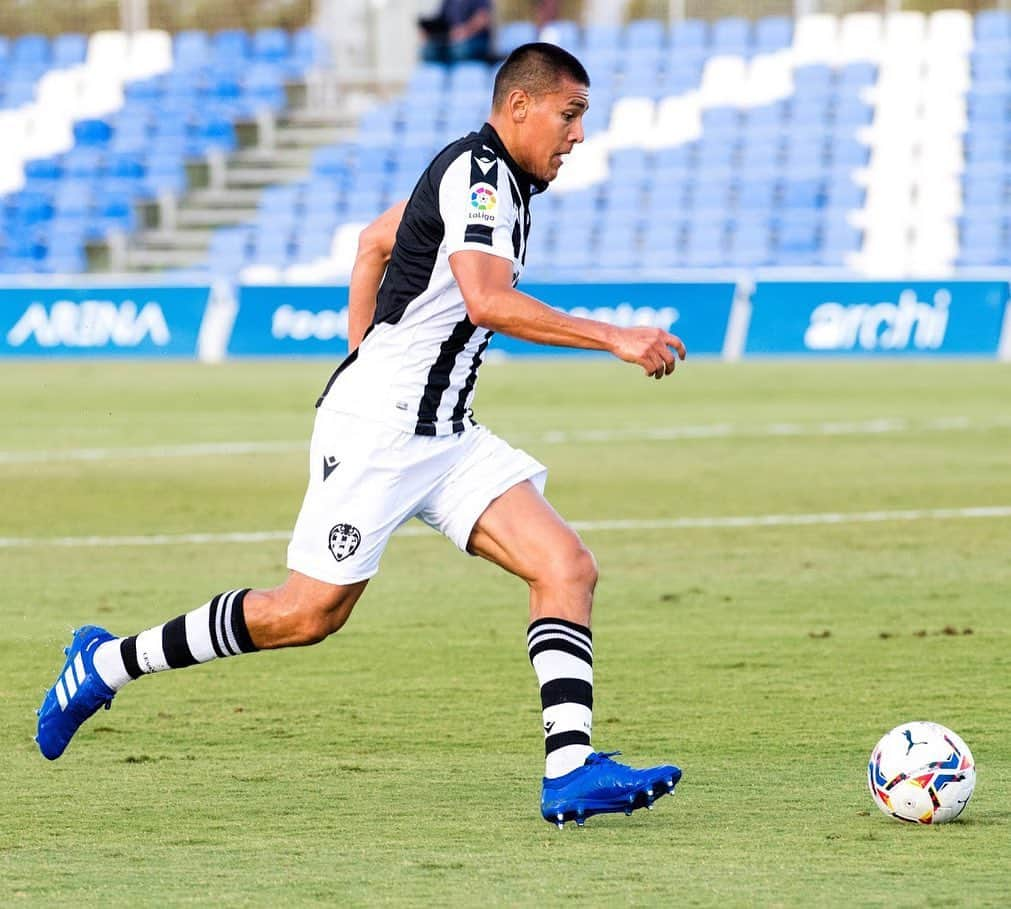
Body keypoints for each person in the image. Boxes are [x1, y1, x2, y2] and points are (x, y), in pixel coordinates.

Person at [36, 42, 686, 828]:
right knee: (306, 614)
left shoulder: (494, 181)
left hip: (445, 435)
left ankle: (570, 770)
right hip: (381, 434)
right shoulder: (478, 176)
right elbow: (486, 302)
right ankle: (104, 663)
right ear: (520, 106)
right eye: (570, 114)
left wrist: (359, 349)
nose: (578, 135)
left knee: (565, 565)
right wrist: (612, 336)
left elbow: (375, 243)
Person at [419, 0, 494, 63]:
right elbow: (440, 18)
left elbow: (483, 18)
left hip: (475, 40)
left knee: (458, 50)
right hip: (451, 40)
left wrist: (464, 32)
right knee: (428, 51)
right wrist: (430, 32)